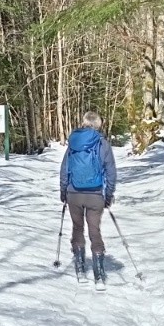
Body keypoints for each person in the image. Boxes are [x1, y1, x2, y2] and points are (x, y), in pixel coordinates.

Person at [60, 111, 117, 286]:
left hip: (74, 194)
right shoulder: (103, 144)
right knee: (94, 230)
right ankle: (99, 275)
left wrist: (64, 192)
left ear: (84, 123)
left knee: (77, 228)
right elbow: (111, 172)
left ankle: (80, 270)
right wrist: (108, 195)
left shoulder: (73, 143)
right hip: (95, 195)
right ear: (98, 125)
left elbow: (64, 170)